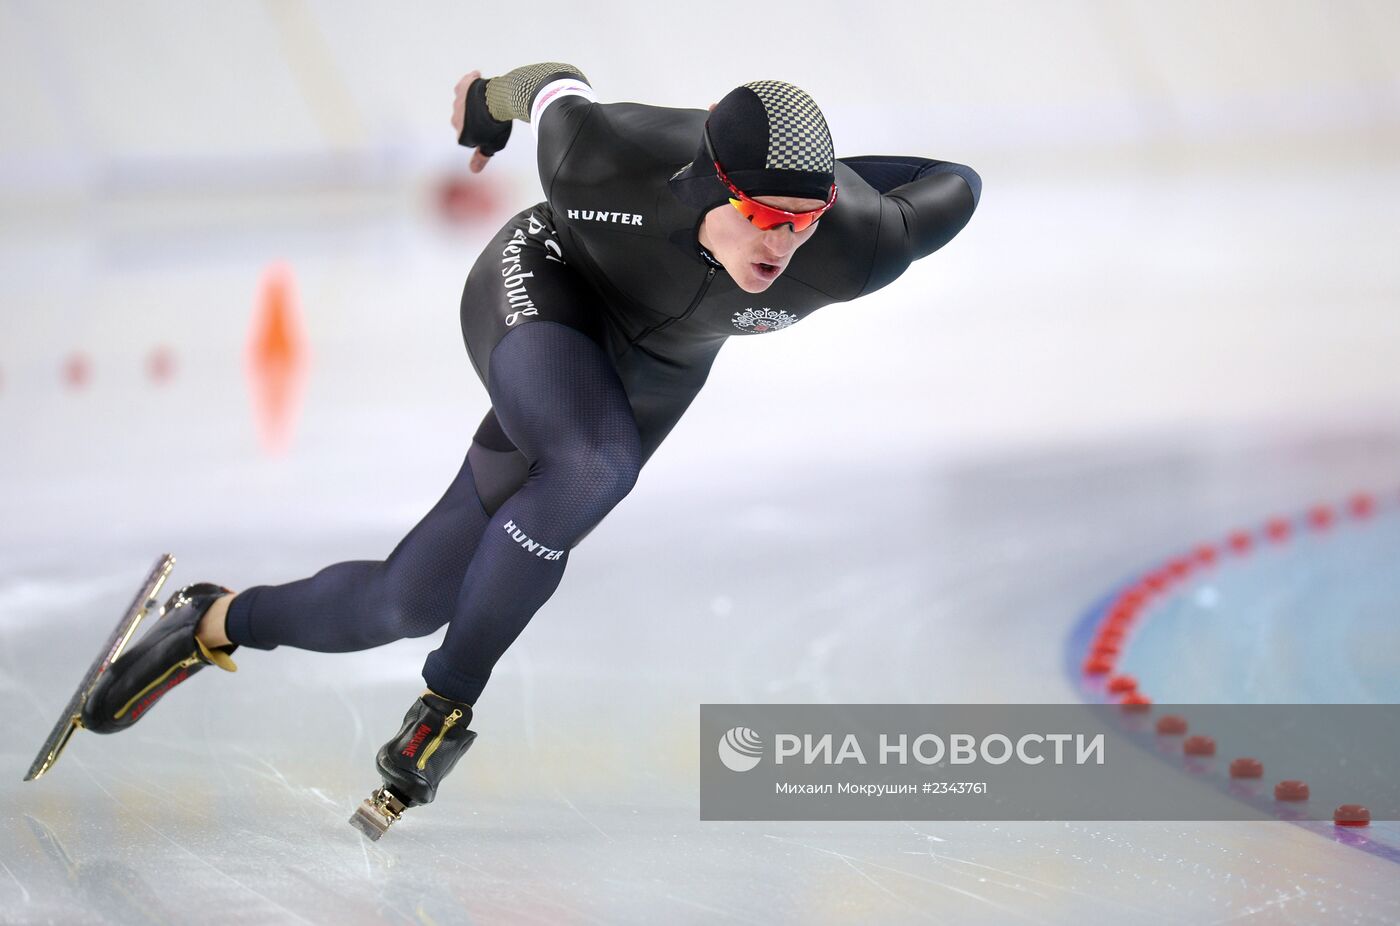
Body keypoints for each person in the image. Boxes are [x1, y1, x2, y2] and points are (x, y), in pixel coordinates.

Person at [77, 62, 981, 834]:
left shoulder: (861, 240)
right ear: (708, 184)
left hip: (651, 373)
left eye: (805, 218)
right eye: (761, 213)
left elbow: (958, 180)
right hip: (546, 288)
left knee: (404, 601)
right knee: (594, 464)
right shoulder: (607, 159)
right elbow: (547, 81)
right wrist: (481, 104)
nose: (784, 243)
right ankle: (447, 705)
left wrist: (835, 188)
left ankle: (210, 620)